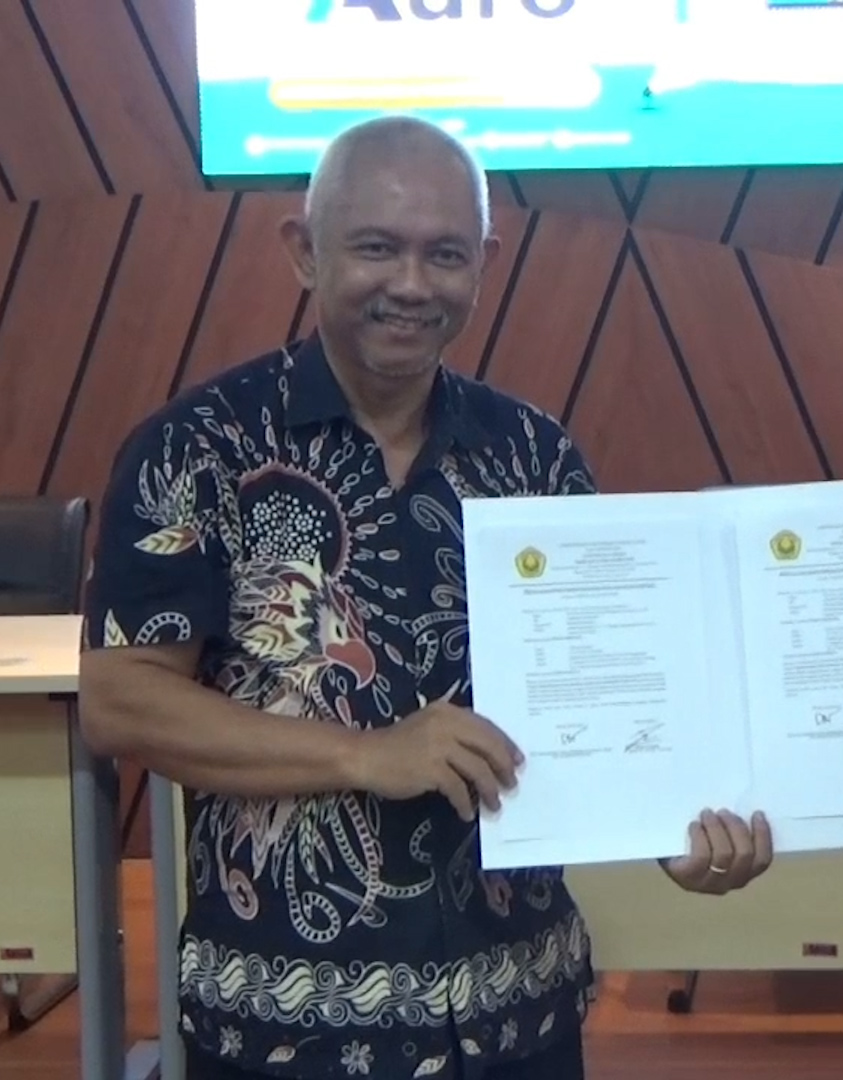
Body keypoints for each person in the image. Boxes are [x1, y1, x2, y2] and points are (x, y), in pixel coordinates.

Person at [77, 116, 773, 1080]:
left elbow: (607, 700)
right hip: (282, 1026)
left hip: (517, 1013)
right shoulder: (195, 449)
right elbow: (122, 701)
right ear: (304, 252)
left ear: (484, 264)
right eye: (376, 248)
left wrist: (673, 836)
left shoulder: (536, 457)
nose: (411, 284)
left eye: (445, 254)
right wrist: (364, 755)